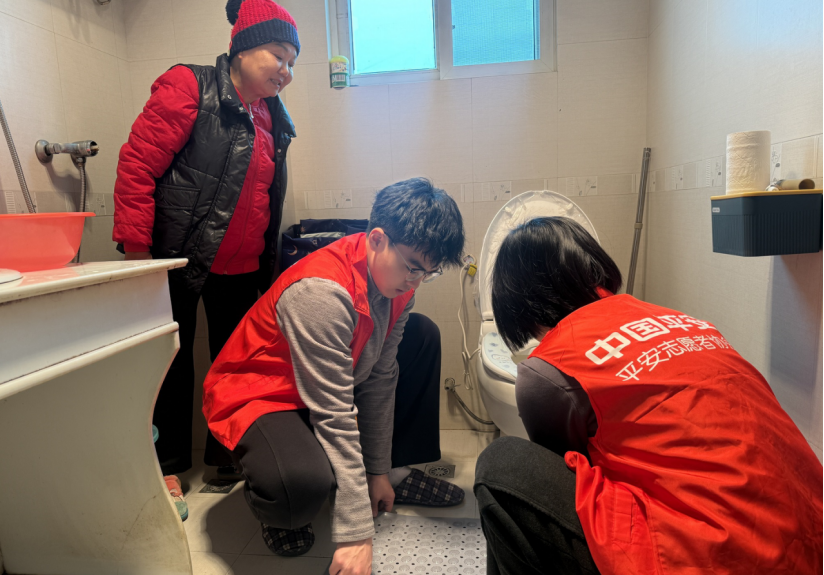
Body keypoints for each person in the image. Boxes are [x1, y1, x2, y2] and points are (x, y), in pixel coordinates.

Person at [475, 216, 823, 575]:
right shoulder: (688, 322)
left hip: (716, 557)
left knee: (502, 466)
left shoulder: (547, 370)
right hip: (811, 541)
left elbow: (564, 475)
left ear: (519, 302)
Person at [203, 179, 467, 574]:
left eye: (428, 273)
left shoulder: (400, 287)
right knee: (298, 488)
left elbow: (380, 379)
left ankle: (393, 472)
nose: (415, 282)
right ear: (377, 239)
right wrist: (357, 533)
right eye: (413, 267)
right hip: (261, 394)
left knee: (422, 335)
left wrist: (379, 470)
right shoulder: (321, 293)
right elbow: (334, 412)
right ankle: (279, 503)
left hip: (323, 385)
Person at [112, 0, 301, 518]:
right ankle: (165, 466)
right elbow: (137, 166)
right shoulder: (190, 87)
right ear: (243, 47)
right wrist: (138, 256)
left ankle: (227, 457)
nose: (286, 70)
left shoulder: (273, 117)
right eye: (278, 54)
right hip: (175, 259)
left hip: (241, 267)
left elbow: (262, 199)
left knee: (234, 366)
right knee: (167, 364)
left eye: (292, 62)